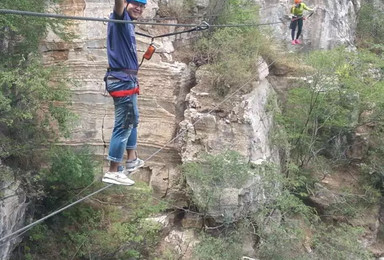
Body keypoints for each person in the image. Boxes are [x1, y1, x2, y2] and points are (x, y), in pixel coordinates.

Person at [102, 0, 146, 185]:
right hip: (121, 81)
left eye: (143, 6)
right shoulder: (120, 18)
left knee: (133, 119)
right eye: (135, 3)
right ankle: (113, 171)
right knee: (124, 124)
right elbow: (118, 4)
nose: (139, 8)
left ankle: (131, 159)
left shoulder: (128, 23)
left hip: (127, 80)